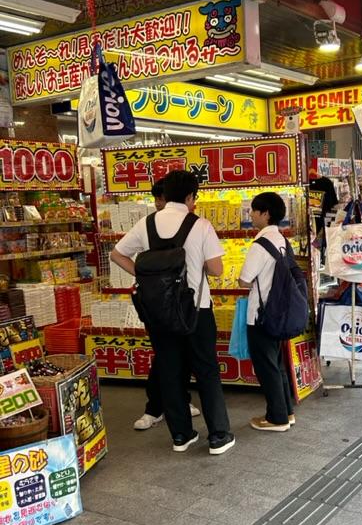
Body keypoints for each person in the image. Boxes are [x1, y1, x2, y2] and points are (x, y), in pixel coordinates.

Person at [111, 170, 235, 455]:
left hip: (159, 311)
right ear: (191, 196)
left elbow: (116, 254)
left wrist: (144, 276)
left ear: (165, 194)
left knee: (169, 370)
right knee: (206, 371)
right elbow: (216, 269)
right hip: (196, 311)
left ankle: (181, 435)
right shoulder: (200, 225)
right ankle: (218, 436)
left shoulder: (147, 223)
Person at [133, 179, 200, 430]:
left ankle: (179, 401)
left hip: (180, 301)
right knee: (165, 358)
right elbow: (118, 253)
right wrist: (144, 277)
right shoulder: (148, 224)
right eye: (156, 200)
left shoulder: (191, 223)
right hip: (158, 303)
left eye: (161, 199)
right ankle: (154, 408)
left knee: (178, 357)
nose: (158, 204)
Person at [238, 192, 295, 432]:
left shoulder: (260, 244)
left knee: (266, 366)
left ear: (266, 213)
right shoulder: (282, 240)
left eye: (254, 210)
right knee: (277, 364)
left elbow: (244, 280)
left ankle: (276, 419)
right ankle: (286, 411)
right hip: (279, 312)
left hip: (260, 315)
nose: (251, 215)